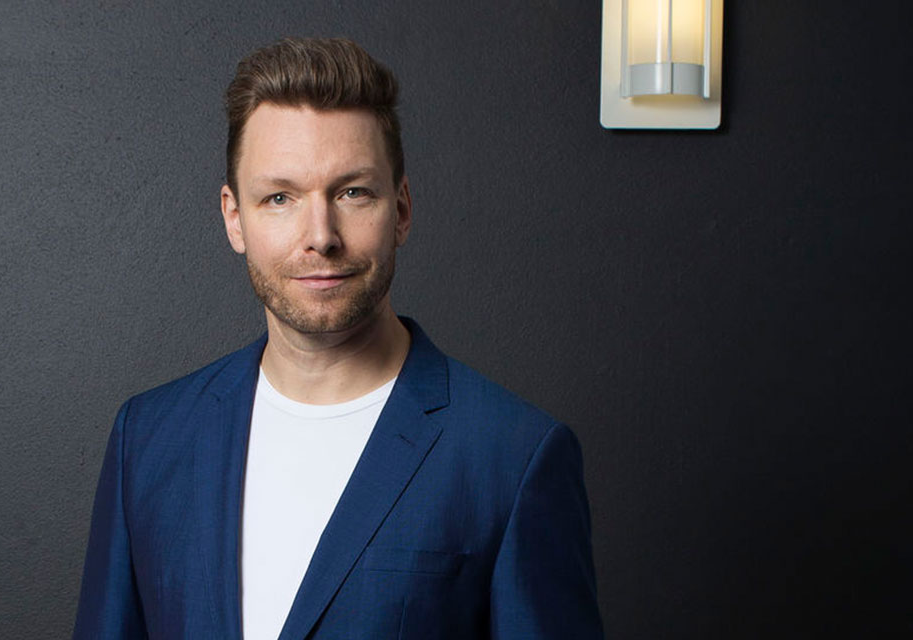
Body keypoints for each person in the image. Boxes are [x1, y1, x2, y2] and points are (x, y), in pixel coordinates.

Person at [73, 37, 603, 639]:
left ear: (401, 209)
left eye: (353, 192)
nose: (320, 236)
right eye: (280, 198)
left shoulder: (512, 456)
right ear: (234, 218)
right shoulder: (147, 438)